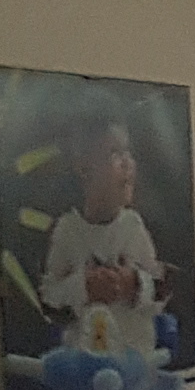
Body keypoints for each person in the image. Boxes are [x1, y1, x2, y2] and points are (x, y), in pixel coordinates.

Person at [36, 117, 165, 319]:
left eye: (127, 152)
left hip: (132, 337)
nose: (127, 163)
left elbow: (160, 288)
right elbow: (48, 295)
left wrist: (135, 283)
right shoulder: (68, 229)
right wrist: (84, 286)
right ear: (84, 168)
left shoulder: (133, 225)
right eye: (115, 154)